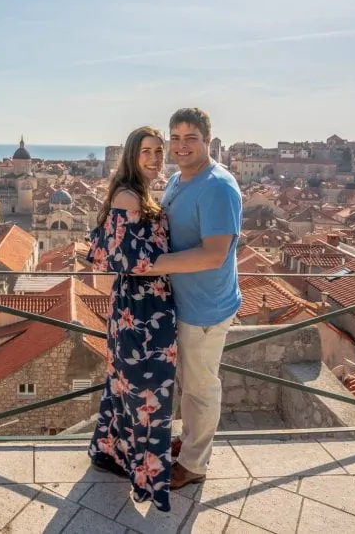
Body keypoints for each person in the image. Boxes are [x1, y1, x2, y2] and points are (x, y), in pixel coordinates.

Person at [133, 107, 242, 490]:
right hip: (183, 302)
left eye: (190, 138)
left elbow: (215, 253)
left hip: (205, 308)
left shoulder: (217, 186)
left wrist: (153, 264)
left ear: (207, 141)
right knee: (188, 381)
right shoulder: (181, 179)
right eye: (174, 138)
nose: (180, 146)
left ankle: (195, 463)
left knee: (200, 386)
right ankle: (190, 440)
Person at [86, 125, 177, 512]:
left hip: (140, 307)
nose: (155, 158)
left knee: (126, 387)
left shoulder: (138, 192)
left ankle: (108, 452)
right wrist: (197, 261)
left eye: (159, 151)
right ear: (131, 155)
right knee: (149, 394)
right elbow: (126, 259)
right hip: (140, 310)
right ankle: (148, 478)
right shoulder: (128, 195)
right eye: (146, 152)